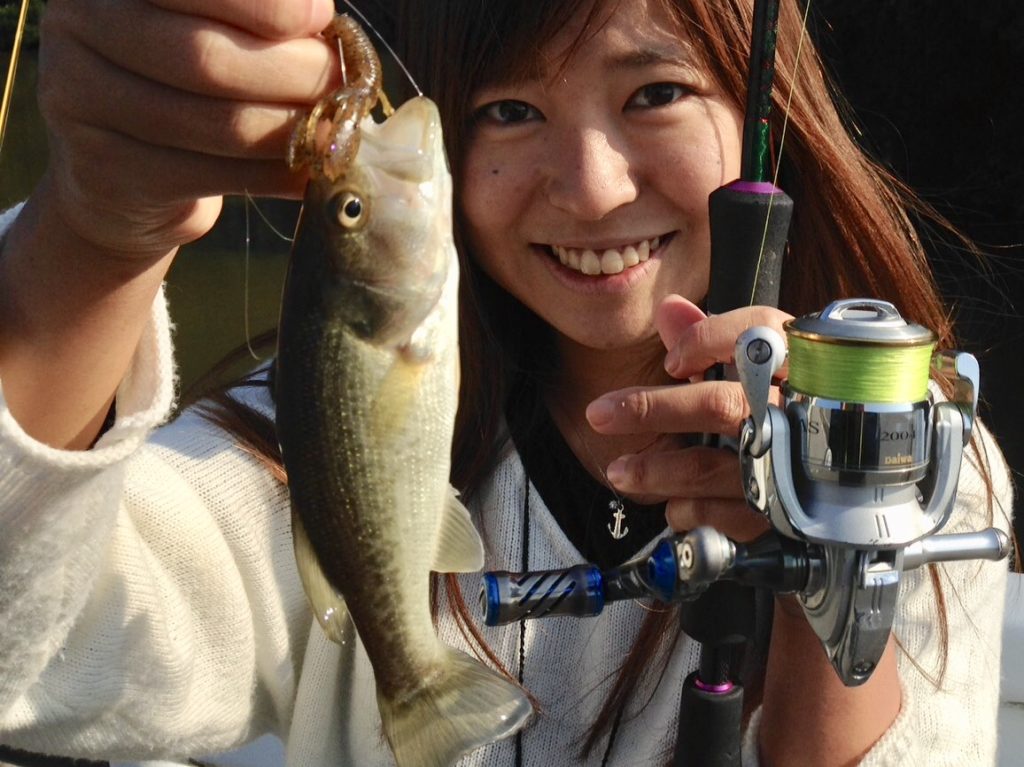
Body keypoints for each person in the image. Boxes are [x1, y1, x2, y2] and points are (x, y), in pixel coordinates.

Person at [0, 0, 1011, 765]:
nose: (591, 185)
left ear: (767, 116)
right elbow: (31, 653)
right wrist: (97, 233)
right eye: (511, 110)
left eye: (654, 93)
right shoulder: (294, 439)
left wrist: (829, 565)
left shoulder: (907, 459)